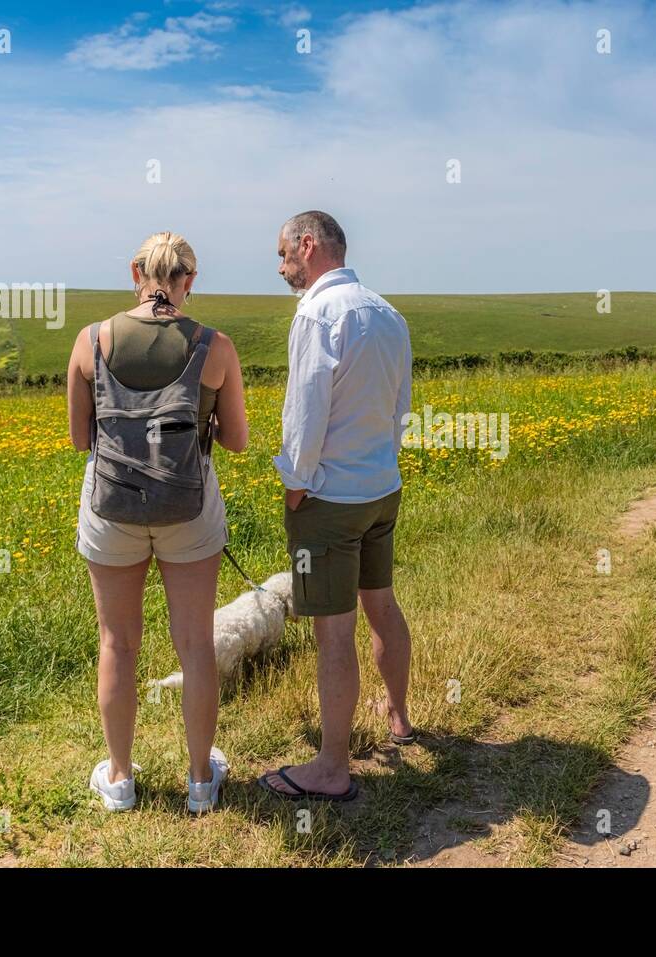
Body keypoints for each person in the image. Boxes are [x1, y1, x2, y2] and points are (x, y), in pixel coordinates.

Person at [66, 231, 249, 814]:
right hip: (188, 509)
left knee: (117, 642)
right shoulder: (214, 346)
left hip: (112, 508)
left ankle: (119, 779)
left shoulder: (89, 341)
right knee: (195, 644)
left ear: (136, 271)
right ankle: (201, 781)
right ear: (189, 281)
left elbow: (78, 440)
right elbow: (238, 441)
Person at [260, 210, 414, 802]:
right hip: (380, 487)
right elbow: (400, 406)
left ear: (308, 245)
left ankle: (331, 767)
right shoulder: (387, 313)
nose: (281, 268)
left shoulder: (317, 314)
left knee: (333, 631)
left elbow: (305, 411)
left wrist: (295, 484)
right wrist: (381, 460)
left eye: (283, 254)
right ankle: (398, 717)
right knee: (381, 603)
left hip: (329, 496)